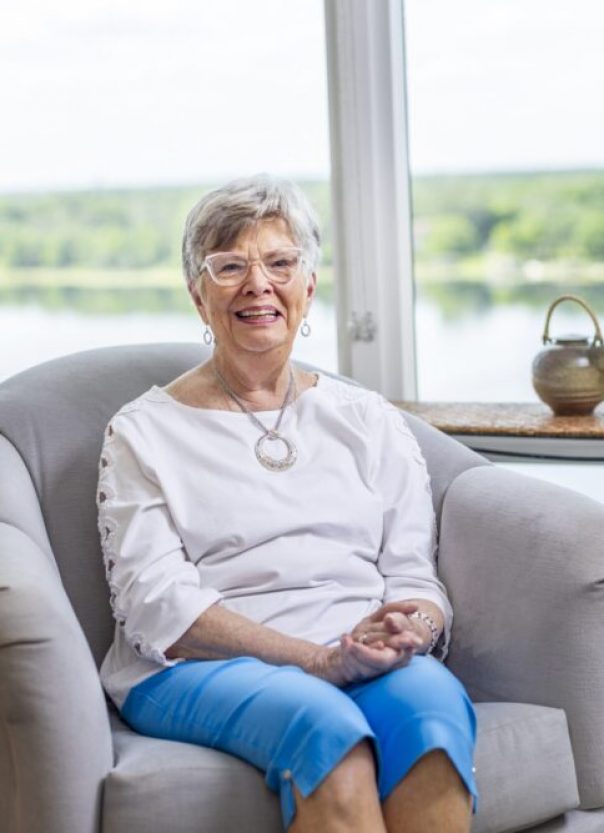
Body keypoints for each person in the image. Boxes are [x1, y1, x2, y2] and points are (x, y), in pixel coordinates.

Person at [97, 174, 477, 833]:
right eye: (229, 266)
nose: (257, 284)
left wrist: (412, 625)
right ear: (197, 293)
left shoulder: (367, 420)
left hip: (360, 649)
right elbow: (161, 608)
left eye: (280, 262)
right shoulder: (142, 432)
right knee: (325, 725)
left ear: (309, 284)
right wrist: (316, 659)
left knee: (433, 709)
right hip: (198, 666)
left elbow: (413, 573)